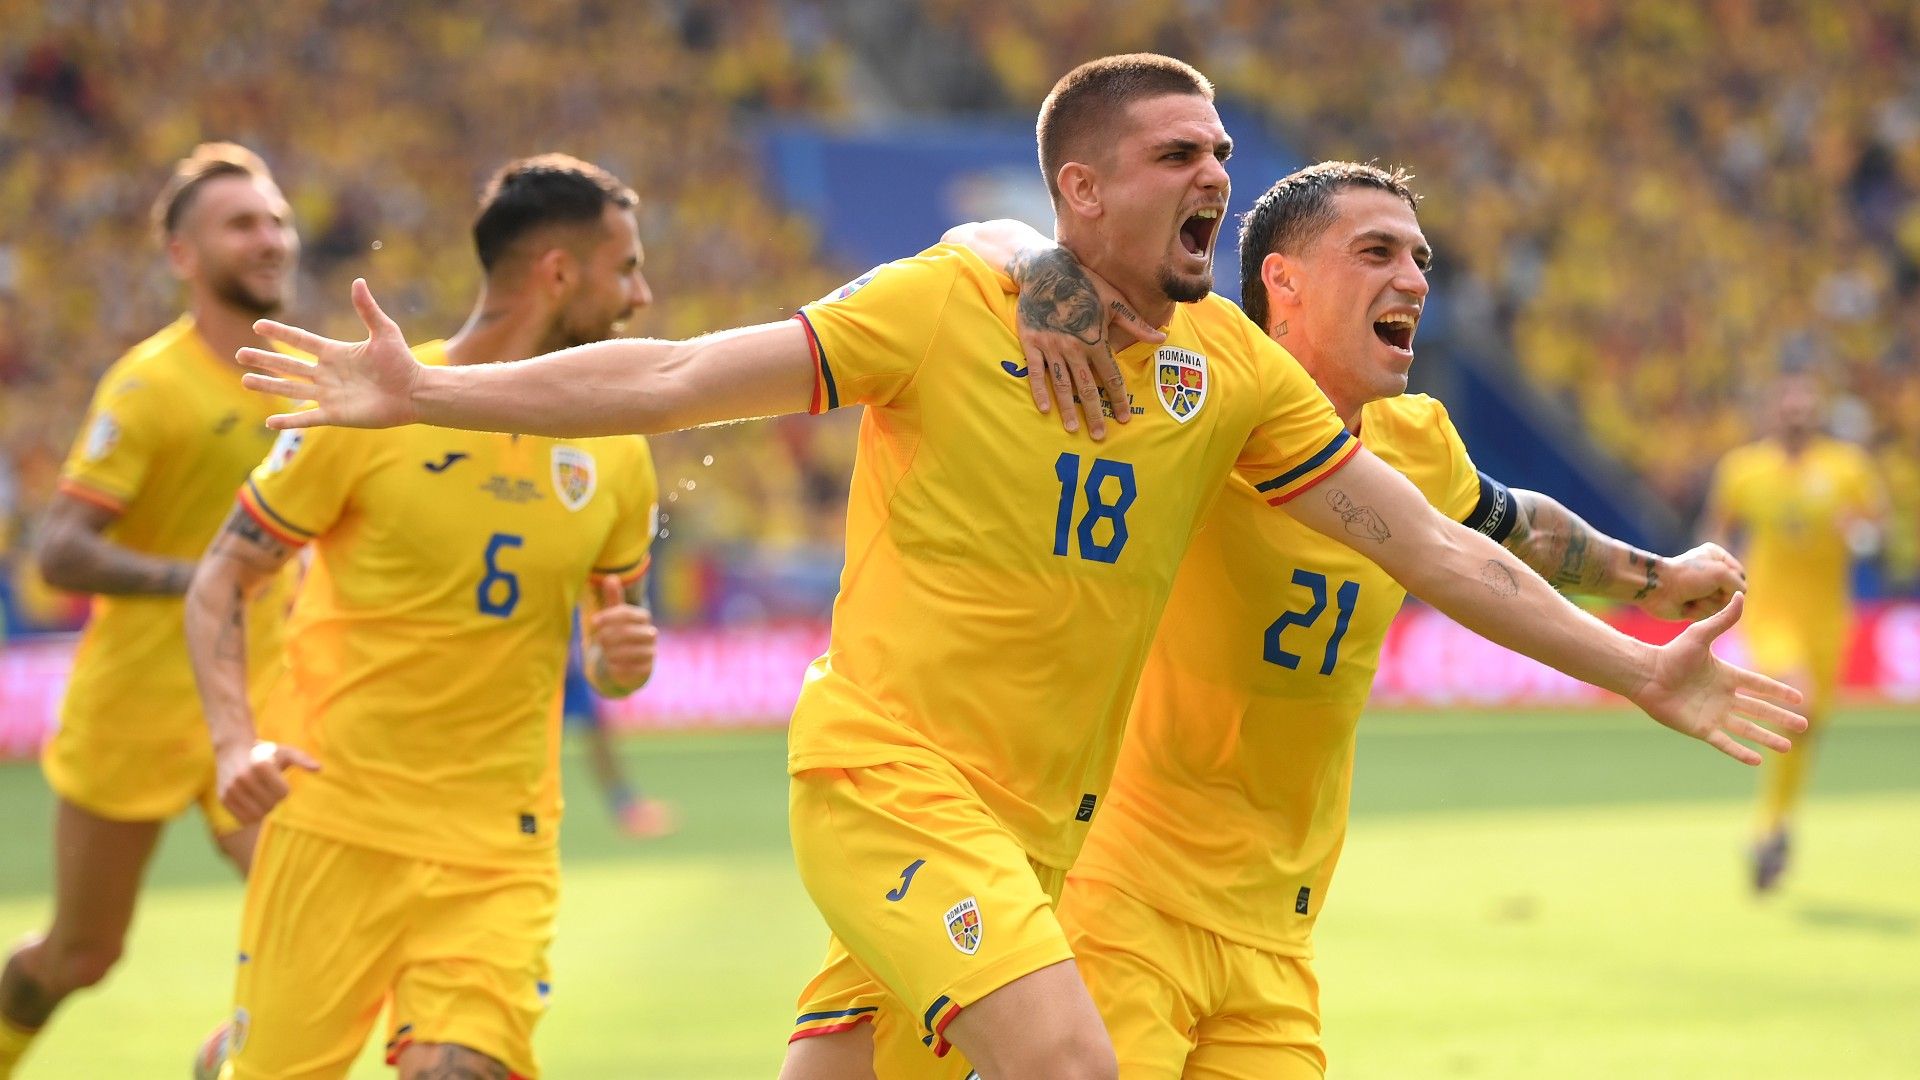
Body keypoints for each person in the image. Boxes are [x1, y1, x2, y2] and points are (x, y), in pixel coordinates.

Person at [235, 56, 1801, 1080]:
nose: (1213, 170)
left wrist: (1636, 663)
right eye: (1177, 152)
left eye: (1222, 149)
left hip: (1040, 832)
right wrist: (426, 391)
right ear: (1081, 195)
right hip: (888, 780)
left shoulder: (1230, 377)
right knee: (1065, 1064)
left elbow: (1436, 544)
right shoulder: (947, 305)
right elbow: (674, 375)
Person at [828, 160, 1751, 1078]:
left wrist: (1653, 578)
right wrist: (1033, 258)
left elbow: (1516, 526)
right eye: (1377, 252)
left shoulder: (1417, 442)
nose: (1414, 279)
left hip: (1276, 937)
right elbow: (979, 241)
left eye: (1421, 258)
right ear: (1284, 280)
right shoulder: (1202, 392)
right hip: (1118, 902)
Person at [184, 154, 662, 1079]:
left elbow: (616, 653)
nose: (641, 296)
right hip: (337, 826)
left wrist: (621, 661)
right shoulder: (373, 403)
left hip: (500, 846)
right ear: (559, 273)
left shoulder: (615, 447)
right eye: (628, 268)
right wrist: (234, 742)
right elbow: (222, 577)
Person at [0, 143, 300, 1079]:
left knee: (319, 909)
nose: (270, 239)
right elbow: (60, 549)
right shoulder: (149, 385)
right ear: (182, 255)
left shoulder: (305, 378)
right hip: (135, 707)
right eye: (242, 224)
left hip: (257, 706)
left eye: (278, 221)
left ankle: (231, 1058)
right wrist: (202, 580)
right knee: (81, 957)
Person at [1700, 371, 1885, 892]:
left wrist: (1859, 533)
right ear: (1773, 411)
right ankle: (1771, 829)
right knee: (1796, 697)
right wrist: (1708, 571)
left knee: (1806, 726)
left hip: (1829, 617)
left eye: (1806, 406)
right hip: (1770, 612)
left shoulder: (1847, 468)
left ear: (1817, 413)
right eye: (1789, 406)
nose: (1797, 415)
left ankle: (1773, 830)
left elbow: (1877, 528)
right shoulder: (1743, 470)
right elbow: (1717, 529)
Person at [560, 622, 677, 839]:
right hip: (547, 673)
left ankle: (625, 806)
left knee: (598, 735)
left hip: (570, 671)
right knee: (540, 746)